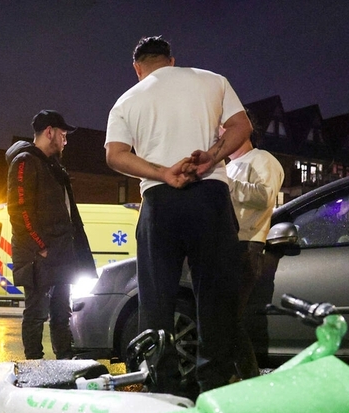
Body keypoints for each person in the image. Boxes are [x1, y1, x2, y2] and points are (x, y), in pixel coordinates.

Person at [105, 36, 253, 394]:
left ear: (137, 68)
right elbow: (241, 127)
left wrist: (162, 172)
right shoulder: (212, 80)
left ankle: (163, 386)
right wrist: (212, 158)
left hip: (159, 201)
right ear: (172, 61)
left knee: (155, 300)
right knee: (214, 297)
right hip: (209, 194)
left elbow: (115, 154)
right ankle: (213, 386)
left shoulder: (128, 99)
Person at [6, 110, 96, 360]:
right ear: (49, 132)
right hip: (40, 257)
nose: (65, 141)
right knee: (36, 314)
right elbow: (19, 211)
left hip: (60, 254)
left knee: (61, 313)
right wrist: (40, 247)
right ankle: (34, 367)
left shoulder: (53, 166)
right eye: (63, 134)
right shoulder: (24, 162)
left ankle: (64, 363)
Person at [225, 125, 285, 378]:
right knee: (221, 317)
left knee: (229, 318)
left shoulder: (263, 159)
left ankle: (249, 378)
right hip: (226, 245)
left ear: (244, 130)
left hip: (246, 244)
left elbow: (264, 198)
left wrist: (224, 184)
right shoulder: (226, 167)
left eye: (224, 128)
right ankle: (233, 377)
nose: (218, 135)